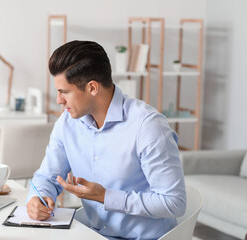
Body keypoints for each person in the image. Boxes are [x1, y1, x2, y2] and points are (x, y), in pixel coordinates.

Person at [26, 40, 186, 240]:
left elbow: (174, 202)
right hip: (94, 234)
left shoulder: (147, 126)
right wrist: (37, 198)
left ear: (92, 87)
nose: (59, 100)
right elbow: (46, 177)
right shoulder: (68, 123)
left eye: (64, 92)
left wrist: (105, 197)